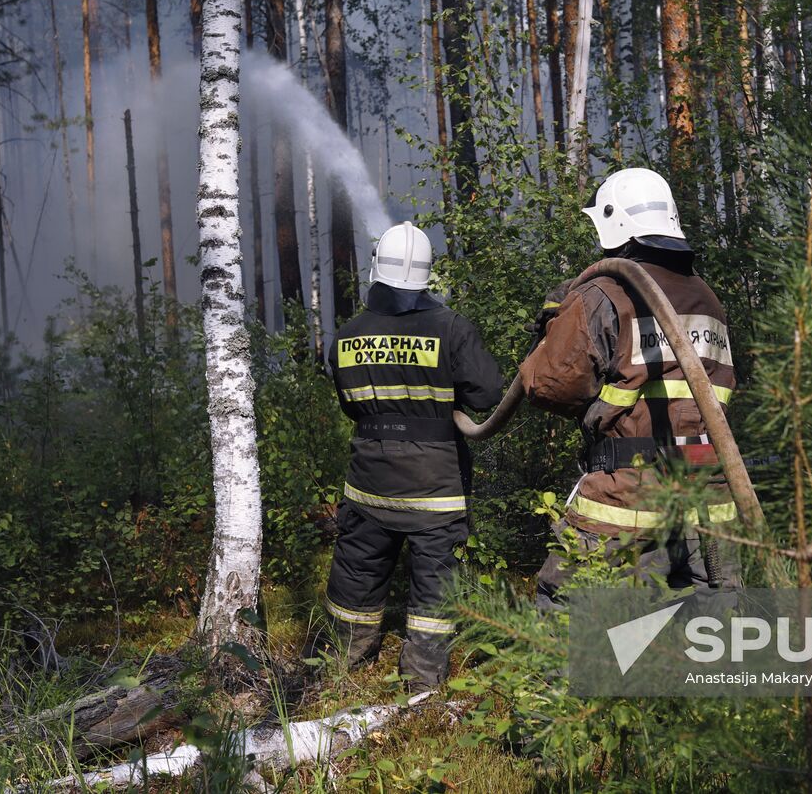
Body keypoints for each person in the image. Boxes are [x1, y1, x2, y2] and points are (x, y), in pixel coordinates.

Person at [519, 167, 742, 610]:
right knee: (707, 624)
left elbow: (548, 385)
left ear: (612, 223)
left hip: (628, 492)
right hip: (707, 489)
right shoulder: (707, 298)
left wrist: (553, 328)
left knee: (570, 613)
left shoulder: (605, 294)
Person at [311, 221, 504, 692]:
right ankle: (421, 681)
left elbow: (350, 405)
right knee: (434, 583)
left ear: (375, 270)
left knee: (357, 572)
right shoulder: (451, 328)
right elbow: (486, 395)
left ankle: (343, 663)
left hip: (369, 483)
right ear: (426, 275)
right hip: (434, 488)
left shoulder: (349, 334)